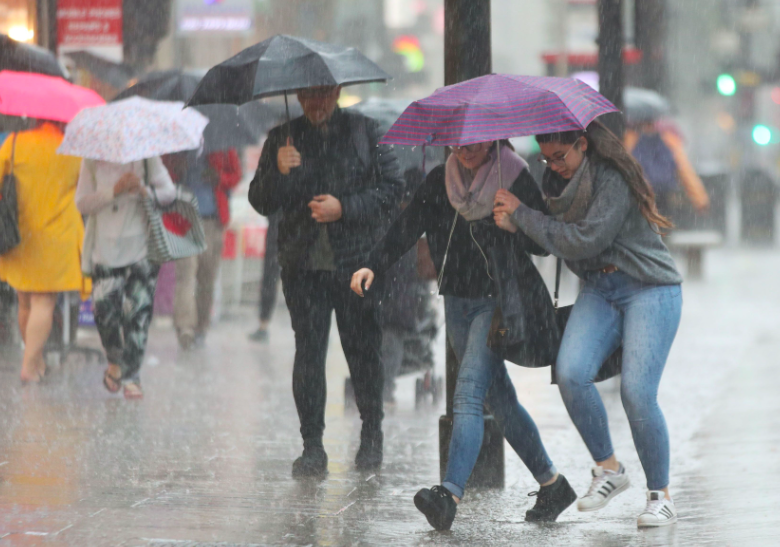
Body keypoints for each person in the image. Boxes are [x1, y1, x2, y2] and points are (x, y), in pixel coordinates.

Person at [352, 141, 577, 531]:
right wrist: (372, 263)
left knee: (469, 391)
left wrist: (516, 218)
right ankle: (552, 484)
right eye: (458, 143)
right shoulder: (441, 180)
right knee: (499, 398)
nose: (466, 150)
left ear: (491, 139)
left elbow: (542, 244)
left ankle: (449, 495)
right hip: (456, 299)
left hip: (498, 300)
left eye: (474, 143)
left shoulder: (513, 174)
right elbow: (407, 227)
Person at [493, 120, 683, 528]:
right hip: (600, 290)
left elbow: (583, 239)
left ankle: (660, 495)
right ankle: (608, 469)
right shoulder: (553, 182)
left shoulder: (610, 178)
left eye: (561, 156)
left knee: (636, 392)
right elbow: (549, 238)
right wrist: (514, 222)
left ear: (582, 144)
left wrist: (523, 214)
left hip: (649, 288)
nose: (553, 164)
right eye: (546, 156)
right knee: (570, 372)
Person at [249, 85, 404, 477]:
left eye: (323, 95)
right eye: (307, 96)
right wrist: (277, 171)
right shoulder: (281, 139)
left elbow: (392, 188)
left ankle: (371, 433)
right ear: (298, 96)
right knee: (309, 353)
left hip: (355, 263)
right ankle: (312, 445)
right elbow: (261, 200)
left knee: (363, 351)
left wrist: (344, 208)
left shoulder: (365, 131)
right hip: (303, 265)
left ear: (337, 92)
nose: (315, 104)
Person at [76, 156, 176, 399]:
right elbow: (82, 203)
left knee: (137, 313)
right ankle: (114, 361)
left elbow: (169, 192)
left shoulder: (146, 158)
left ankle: (132, 375)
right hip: (104, 251)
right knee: (104, 311)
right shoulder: (91, 159)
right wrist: (115, 190)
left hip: (141, 250)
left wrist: (144, 191)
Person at [0, 121, 87, 383]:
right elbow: (83, 188)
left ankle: (35, 361)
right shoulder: (72, 148)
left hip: (20, 232)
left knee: (25, 301)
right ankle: (29, 365)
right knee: (43, 302)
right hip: (55, 235)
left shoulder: (14, 142)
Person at [167, 148, 242, 349]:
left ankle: (201, 327)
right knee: (186, 276)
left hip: (212, 220)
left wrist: (219, 178)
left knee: (206, 279)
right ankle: (185, 328)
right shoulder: (179, 144)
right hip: (184, 219)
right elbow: (165, 177)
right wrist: (177, 170)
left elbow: (236, 175)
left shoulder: (222, 145)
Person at [625, 120, 709, 217]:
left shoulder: (629, 136)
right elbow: (685, 170)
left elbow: (624, 165)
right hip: (664, 193)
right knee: (663, 226)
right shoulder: (668, 136)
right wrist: (700, 199)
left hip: (640, 195)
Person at [248, 211, 280, 343]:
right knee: (270, 279)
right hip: (282, 229)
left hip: (281, 228)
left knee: (270, 278)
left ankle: (263, 324)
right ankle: (263, 324)